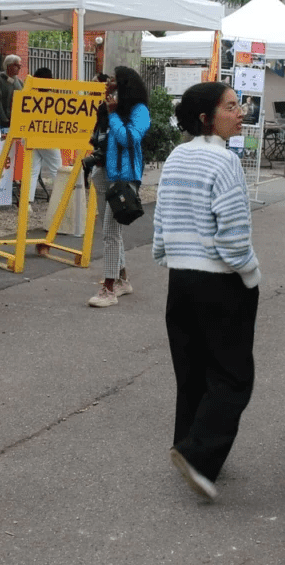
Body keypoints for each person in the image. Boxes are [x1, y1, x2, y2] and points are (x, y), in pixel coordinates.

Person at [153, 81, 259, 501]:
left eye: (239, 105)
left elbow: (162, 217)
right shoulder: (225, 162)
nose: (240, 112)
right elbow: (233, 237)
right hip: (221, 281)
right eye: (231, 107)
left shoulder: (178, 156)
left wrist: (168, 256)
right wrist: (250, 272)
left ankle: (188, 444)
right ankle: (199, 457)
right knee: (233, 377)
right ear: (206, 118)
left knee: (192, 369)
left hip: (180, 280)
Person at [87, 65, 150, 307]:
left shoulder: (139, 111)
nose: (107, 82)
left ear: (124, 84)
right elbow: (99, 138)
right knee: (110, 231)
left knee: (110, 233)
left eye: (112, 80)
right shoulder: (108, 107)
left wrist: (113, 114)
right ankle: (122, 280)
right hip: (103, 172)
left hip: (123, 177)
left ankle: (109, 288)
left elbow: (130, 138)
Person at [28, 66, 62, 199]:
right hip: (47, 137)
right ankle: (61, 200)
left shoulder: (29, 96)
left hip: (31, 136)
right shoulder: (53, 98)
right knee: (57, 169)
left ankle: (28, 202)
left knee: (31, 171)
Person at [0, 54, 23, 133]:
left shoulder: (19, 82)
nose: (19, 68)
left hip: (17, 121)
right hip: (4, 124)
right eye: (16, 65)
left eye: (20, 65)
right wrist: (4, 120)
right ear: (8, 66)